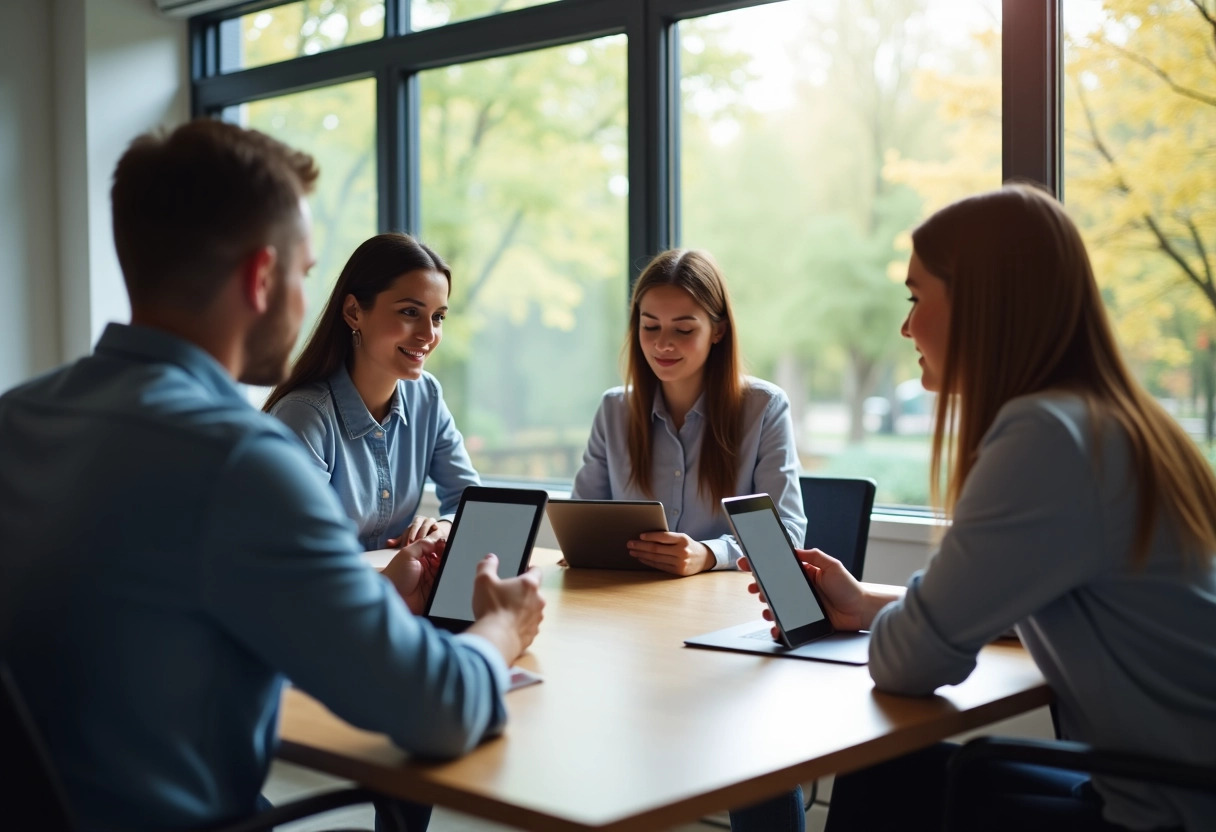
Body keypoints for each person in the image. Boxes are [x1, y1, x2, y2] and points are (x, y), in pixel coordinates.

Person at [0, 119, 545, 832]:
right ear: (263, 277)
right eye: (307, 273)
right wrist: (503, 627)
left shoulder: (17, 418)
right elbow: (436, 710)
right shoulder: (242, 460)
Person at [744, 184, 1216, 832]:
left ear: (981, 303)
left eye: (916, 298)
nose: (906, 326)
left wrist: (895, 624)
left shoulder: (1046, 437)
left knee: (886, 776)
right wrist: (866, 605)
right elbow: (1022, 605)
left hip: (1167, 808)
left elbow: (907, 663)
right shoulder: (1117, 420)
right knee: (898, 773)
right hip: (1174, 780)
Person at [571, 248, 807, 577]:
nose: (663, 344)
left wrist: (709, 554)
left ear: (718, 331)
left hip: (723, 608)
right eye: (650, 327)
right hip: (629, 601)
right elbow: (580, 526)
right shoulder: (615, 410)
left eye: (683, 330)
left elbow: (787, 535)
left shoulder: (764, 408)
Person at [264, 233, 478, 549]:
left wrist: (444, 528)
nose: (428, 334)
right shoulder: (304, 416)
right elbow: (300, 549)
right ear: (353, 312)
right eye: (410, 312)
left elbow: (471, 499)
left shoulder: (427, 397)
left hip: (398, 591)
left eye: (438, 317)